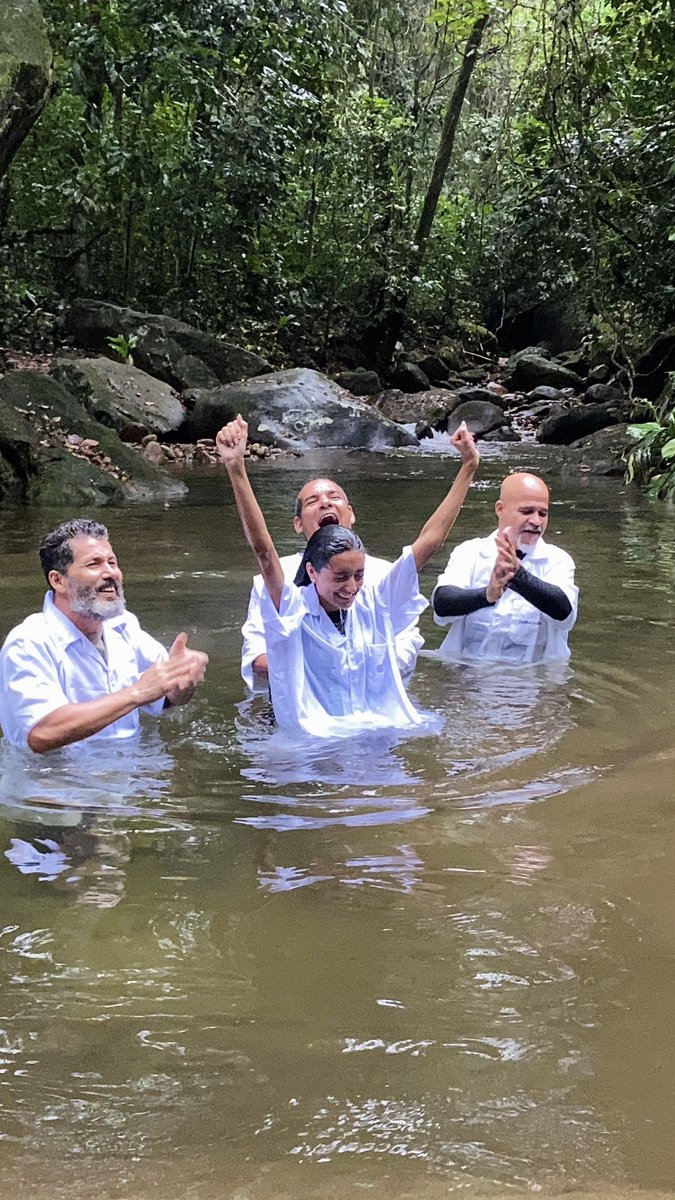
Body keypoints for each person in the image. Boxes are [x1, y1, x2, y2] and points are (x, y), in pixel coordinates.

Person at [217, 414, 479, 738]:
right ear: (312, 570)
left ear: (351, 514)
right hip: (308, 736)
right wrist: (236, 468)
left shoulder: (377, 593)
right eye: (312, 501)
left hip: (373, 726)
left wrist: (469, 466)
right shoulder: (288, 599)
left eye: (358, 575)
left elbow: (430, 542)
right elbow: (263, 552)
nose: (352, 586)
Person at [0, 519, 209, 753]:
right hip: (54, 784)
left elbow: (166, 696)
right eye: (94, 564)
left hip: (127, 778)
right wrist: (136, 693)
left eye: (112, 562)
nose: (111, 573)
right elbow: (42, 733)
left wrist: (182, 679)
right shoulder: (28, 643)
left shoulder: (123, 625)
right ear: (58, 580)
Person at [241, 476, 423, 689]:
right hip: (298, 696)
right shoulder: (275, 577)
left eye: (334, 497)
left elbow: (405, 644)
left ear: (351, 513)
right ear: (298, 524)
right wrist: (313, 671)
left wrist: (354, 670)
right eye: (312, 501)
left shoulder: (385, 573)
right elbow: (257, 654)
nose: (325, 503)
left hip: (373, 694)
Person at [432, 471, 578, 664]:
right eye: (527, 511)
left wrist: (518, 576)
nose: (536, 521)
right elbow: (442, 604)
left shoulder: (557, 560)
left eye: (543, 513)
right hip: (467, 677)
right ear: (501, 509)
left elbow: (564, 613)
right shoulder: (470, 552)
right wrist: (486, 595)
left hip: (529, 683)